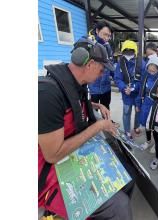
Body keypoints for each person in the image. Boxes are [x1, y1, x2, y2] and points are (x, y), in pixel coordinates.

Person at [38, 37, 133, 220]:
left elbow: (72, 103)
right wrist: (99, 125)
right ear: (89, 64)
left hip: (70, 157)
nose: (103, 73)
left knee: (127, 173)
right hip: (51, 173)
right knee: (120, 205)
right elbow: (52, 154)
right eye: (102, 68)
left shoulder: (73, 84)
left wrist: (95, 105)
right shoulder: (47, 94)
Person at [114, 40, 146, 139]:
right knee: (126, 112)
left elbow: (143, 79)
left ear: (135, 52)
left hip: (137, 93)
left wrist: (134, 88)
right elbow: (117, 78)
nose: (128, 54)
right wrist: (124, 88)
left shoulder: (142, 63)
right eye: (126, 51)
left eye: (130, 51)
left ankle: (136, 127)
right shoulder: (120, 63)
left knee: (138, 111)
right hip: (126, 94)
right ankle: (127, 131)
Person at [136, 56, 158, 150]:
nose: (151, 72)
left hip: (157, 105)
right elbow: (141, 90)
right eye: (149, 70)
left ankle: (156, 143)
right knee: (146, 125)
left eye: (153, 71)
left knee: (155, 125)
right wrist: (138, 104)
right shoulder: (146, 76)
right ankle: (148, 141)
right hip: (146, 103)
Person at [88, 21, 114, 110]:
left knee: (106, 107)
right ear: (97, 31)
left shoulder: (108, 46)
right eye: (105, 34)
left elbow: (111, 64)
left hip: (106, 87)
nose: (107, 38)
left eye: (109, 35)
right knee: (92, 111)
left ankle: (107, 122)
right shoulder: (89, 45)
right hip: (93, 87)